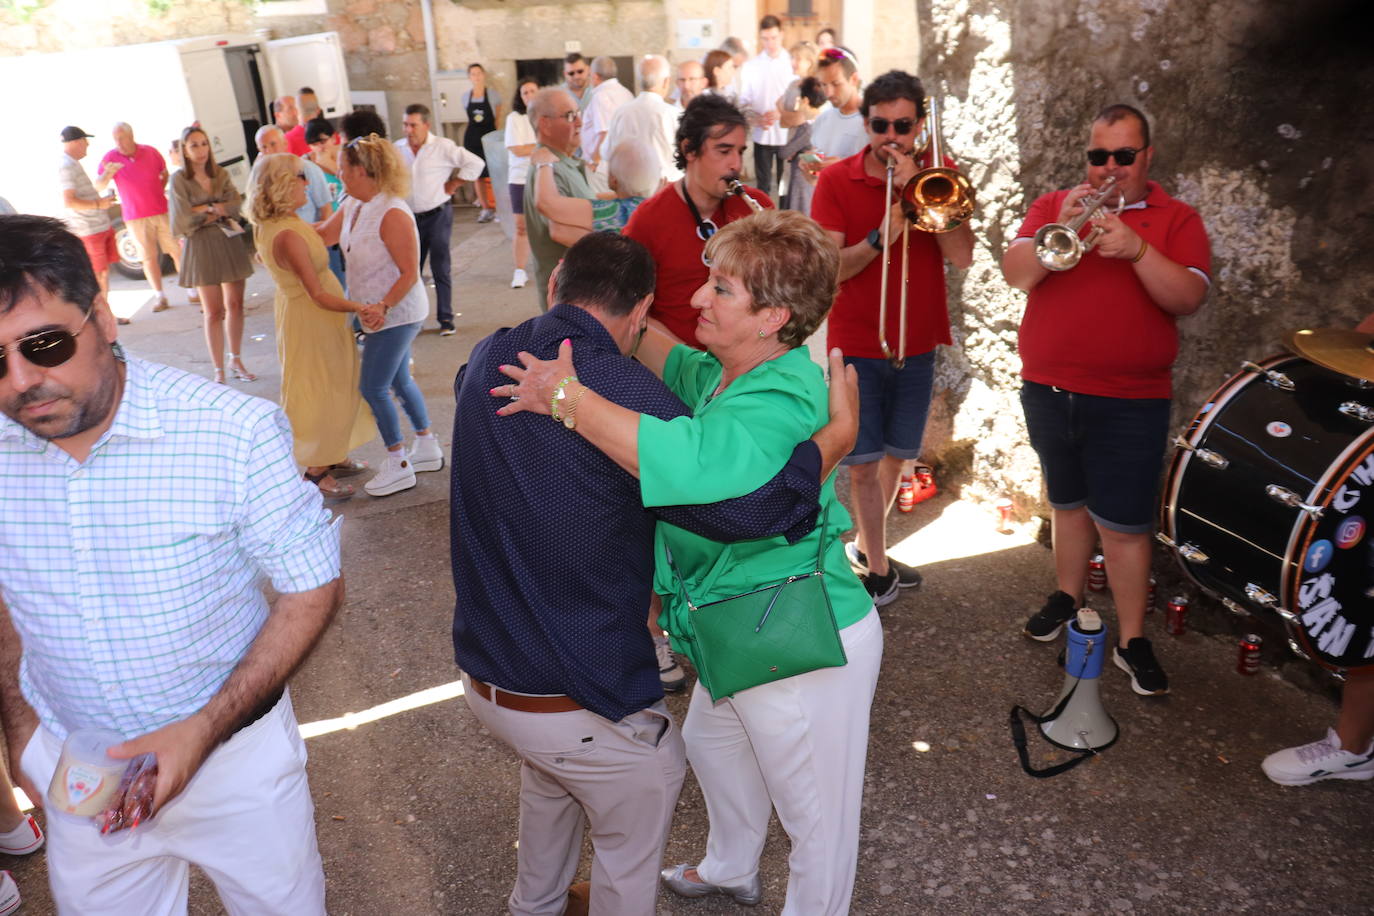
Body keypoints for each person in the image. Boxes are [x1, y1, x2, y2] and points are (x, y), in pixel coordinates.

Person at [459, 229, 857, 914]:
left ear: (772, 319)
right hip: (722, 623)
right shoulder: (704, 375)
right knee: (708, 738)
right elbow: (647, 340)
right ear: (641, 307)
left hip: (790, 625)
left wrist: (835, 438)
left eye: (721, 288)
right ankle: (732, 864)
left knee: (815, 816)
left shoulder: (782, 396)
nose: (697, 297)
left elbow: (750, 512)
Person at [0, 213, 341, 915]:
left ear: (104, 316)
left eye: (44, 343)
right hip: (76, 767)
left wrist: (204, 728)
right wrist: (25, 736)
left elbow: (313, 587)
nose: (21, 380)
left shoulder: (231, 434)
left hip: (234, 768)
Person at [1002, 103, 1211, 695]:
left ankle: (1132, 639)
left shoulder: (1178, 218)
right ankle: (1067, 599)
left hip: (1130, 398)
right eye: (1099, 156)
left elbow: (1188, 298)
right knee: (1067, 504)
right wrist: (1053, 234)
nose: (1109, 169)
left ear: (1147, 156)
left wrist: (1139, 251)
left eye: (1124, 156)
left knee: (1123, 525)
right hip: (1049, 387)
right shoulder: (1054, 206)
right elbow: (1016, 273)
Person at [811, 70, 975, 605]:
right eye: (880, 125)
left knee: (895, 458)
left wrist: (915, 191)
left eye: (902, 126)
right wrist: (885, 232)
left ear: (919, 126)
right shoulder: (836, 182)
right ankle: (877, 571)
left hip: (917, 341)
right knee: (860, 467)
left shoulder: (938, 177)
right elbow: (831, 269)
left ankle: (864, 545)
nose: (891, 137)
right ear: (865, 123)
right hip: (858, 341)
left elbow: (962, 256)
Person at [317, 134, 445, 497]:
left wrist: (383, 306)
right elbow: (325, 234)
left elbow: (409, 273)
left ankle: (398, 462)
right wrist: (279, 233)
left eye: (343, 170)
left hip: (397, 313)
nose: (339, 175)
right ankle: (427, 445)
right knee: (400, 379)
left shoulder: (392, 212)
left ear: (362, 171)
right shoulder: (354, 202)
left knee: (373, 386)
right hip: (375, 311)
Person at [246, 153, 378, 501]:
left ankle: (332, 455)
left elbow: (319, 237)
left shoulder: (280, 223)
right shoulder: (286, 234)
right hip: (312, 320)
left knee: (334, 384)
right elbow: (317, 294)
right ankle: (316, 473)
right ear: (282, 185)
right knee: (321, 390)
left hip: (306, 317)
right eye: (300, 176)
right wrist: (359, 307)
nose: (306, 182)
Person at [623, 94, 772, 348]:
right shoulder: (648, 220)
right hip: (679, 371)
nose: (736, 164)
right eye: (724, 151)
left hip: (748, 360)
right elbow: (628, 308)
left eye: (740, 151)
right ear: (689, 149)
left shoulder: (757, 206)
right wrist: (687, 363)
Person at [170, 126, 256, 385]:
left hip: (228, 240)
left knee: (236, 305)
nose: (200, 150)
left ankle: (236, 358)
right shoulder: (179, 180)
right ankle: (218, 369)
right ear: (184, 150)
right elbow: (181, 220)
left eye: (204, 144)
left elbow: (235, 205)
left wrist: (203, 209)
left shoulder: (220, 173)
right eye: (194, 145)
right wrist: (214, 209)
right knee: (213, 311)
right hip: (201, 246)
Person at [396, 103, 485, 336]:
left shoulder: (443, 147)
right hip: (409, 218)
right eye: (405, 124)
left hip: (437, 215)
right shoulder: (398, 149)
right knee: (410, 269)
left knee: (440, 266)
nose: (408, 130)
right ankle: (412, 319)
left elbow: (476, 163)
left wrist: (455, 183)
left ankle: (446, 318)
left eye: (413, 125)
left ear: (426, 125)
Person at [96, 122, 182, 312]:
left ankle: (192, 291)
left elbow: (164, 172)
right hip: (135, 216)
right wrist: (108, 174)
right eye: (115, 139)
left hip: (161, 211)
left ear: (131, 136)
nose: (118, 143)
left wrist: (158, 189)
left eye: (121, 138)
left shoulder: (150, 152)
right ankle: (160, 296)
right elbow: (99, 186)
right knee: (148, 258)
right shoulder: (110, 158)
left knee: (176, 250)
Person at [524, 88, 594, 312]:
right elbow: (560, 231)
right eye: (570, 116)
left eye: (578, 113)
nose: (580, 122)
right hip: (571, 300)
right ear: (545, 124)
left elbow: (584, 204)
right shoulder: (548, 169)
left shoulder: (560, 162)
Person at [58, 126, 127, 324]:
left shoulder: (72, 163)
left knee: (103, 275)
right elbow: (69, 201)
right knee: (99, 276)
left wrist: (104, 182)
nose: (87, 145)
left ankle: (106, 316)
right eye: (85, 141)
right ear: (76, 142)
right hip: (88, 229)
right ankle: (100, 319)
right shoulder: (66, 165)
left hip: (97, 226)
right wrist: (99, 204)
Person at [529, 140, 658, 244]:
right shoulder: (653, 206)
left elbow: (548, 207)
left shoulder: (615, 211)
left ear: (613, 179)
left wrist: (544, 164)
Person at [604, 55, 683, 185]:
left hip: (630, 190)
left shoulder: (621, 113)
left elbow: (607, 153)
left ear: (639, 81)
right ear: (666, 81)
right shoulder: (675, 115)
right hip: (667, 190)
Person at [738, 15, 793, 200]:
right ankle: (763, 222)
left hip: (786, 132)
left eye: (774, 38)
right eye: (765, 39)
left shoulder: (791, 63)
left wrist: (781, 112)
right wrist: (756, 118)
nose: (770, 43)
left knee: (784, 183)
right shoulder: (752, 66)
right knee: (762, 184)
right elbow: (745, 100)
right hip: (762, 131)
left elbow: (799, 98)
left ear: (782, 35)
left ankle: (785, 221)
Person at [805, 48, 868, 180]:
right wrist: (808, 167)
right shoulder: (822, 119)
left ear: (854, 79)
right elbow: (814, 179)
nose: (828, 93)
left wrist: (843, 167)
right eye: (823, 84)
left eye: (836, 84)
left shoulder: (874, 122)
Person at [777, 42, 824, 213]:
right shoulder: (792, 85)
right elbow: (783, 120)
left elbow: (801, 118)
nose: (793, 62)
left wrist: (784, 113)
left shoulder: (814, 88)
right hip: (792, 143)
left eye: (798, 58)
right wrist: (786, 116)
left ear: (809, 62)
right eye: (792, 58)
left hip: (802, 150)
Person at [504, 78, 540, 291]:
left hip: (543, 175)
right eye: (525, 92)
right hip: (519, 178)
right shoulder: (514, 118)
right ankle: (519, 270)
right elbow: (516, 149)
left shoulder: (545, 115)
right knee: (521, 226)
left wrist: (531, 147)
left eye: (532, 91)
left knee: (548, 224)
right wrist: (539, 146)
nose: (529, 95)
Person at [255, 126, 333, 223]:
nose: (269, 151)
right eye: (264, 147)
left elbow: (327, 211)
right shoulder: (262, 178)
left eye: (273, 144)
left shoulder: (307, 169)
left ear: (285, 144)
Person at [305, 118, 347, 287]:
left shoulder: (343, 157)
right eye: (314, 143)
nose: (320, 147)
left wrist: (330, 165)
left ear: (333, 138)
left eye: (323, 140)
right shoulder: (306, 165)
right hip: (324, 225)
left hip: (345, 219)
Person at [462, 63, 503, 223]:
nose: (476, 77)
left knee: (495, 175)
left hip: (489, 139)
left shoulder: (493, 95)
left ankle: (500, 209)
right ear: (469, 77)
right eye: (473, 74)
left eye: (479, 73)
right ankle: (486, 209)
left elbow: (497, 120)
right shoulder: (465, 97)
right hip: (473, 140)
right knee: (477, 175)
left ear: (484, 75)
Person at [580, 56, 635, 177]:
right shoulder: (627, 93)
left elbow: (605, 133)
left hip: (602, 167)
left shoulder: (600, 96)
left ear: (594, 76)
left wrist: (594, 162)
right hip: (624, 162)